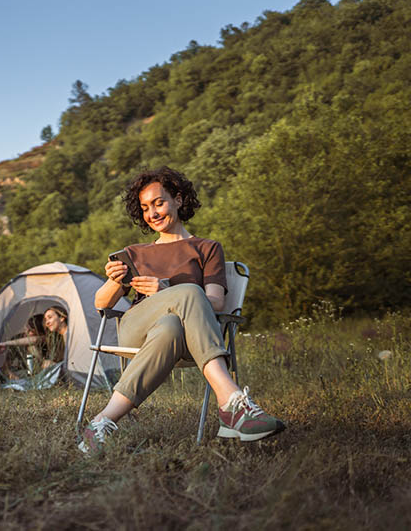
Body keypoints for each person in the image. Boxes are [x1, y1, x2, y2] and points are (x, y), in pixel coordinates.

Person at [79, 167, 284, 453]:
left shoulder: (207, 248)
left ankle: (100, 423)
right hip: (138, 329)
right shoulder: (136, 252)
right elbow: (102, 304)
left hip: (189, 339)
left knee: (173, 323)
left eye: (159, 203)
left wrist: (166, 290)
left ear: (178, 199)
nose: (152, 213)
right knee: (189, 291)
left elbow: (215, 303)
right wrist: (116, 280)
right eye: (145, 208)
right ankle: (232, 404)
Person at [0, 306, 68, 378]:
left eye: (31, 331)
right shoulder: (18, 338)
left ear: (41, 333)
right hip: (27, 373)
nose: (26, 332)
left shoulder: (54, 339)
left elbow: (35, 340)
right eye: (26, 328)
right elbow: (6, 366)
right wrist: (5, 343)